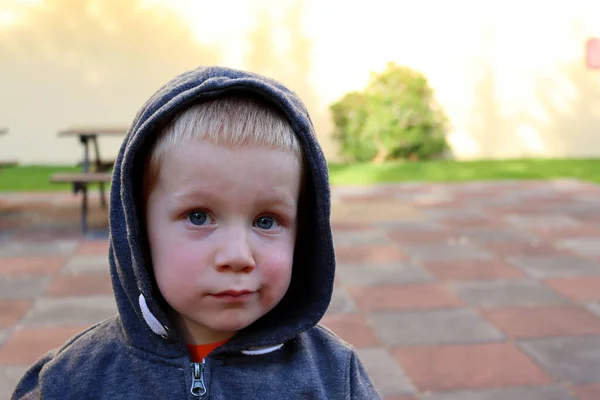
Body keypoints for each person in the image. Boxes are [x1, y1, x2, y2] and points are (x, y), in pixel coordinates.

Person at [11, 66, 380, 399]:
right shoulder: (75, 379)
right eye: (199, 216)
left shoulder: (333, 378)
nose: (237, 255)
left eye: (266, 221)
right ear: (139, 230)